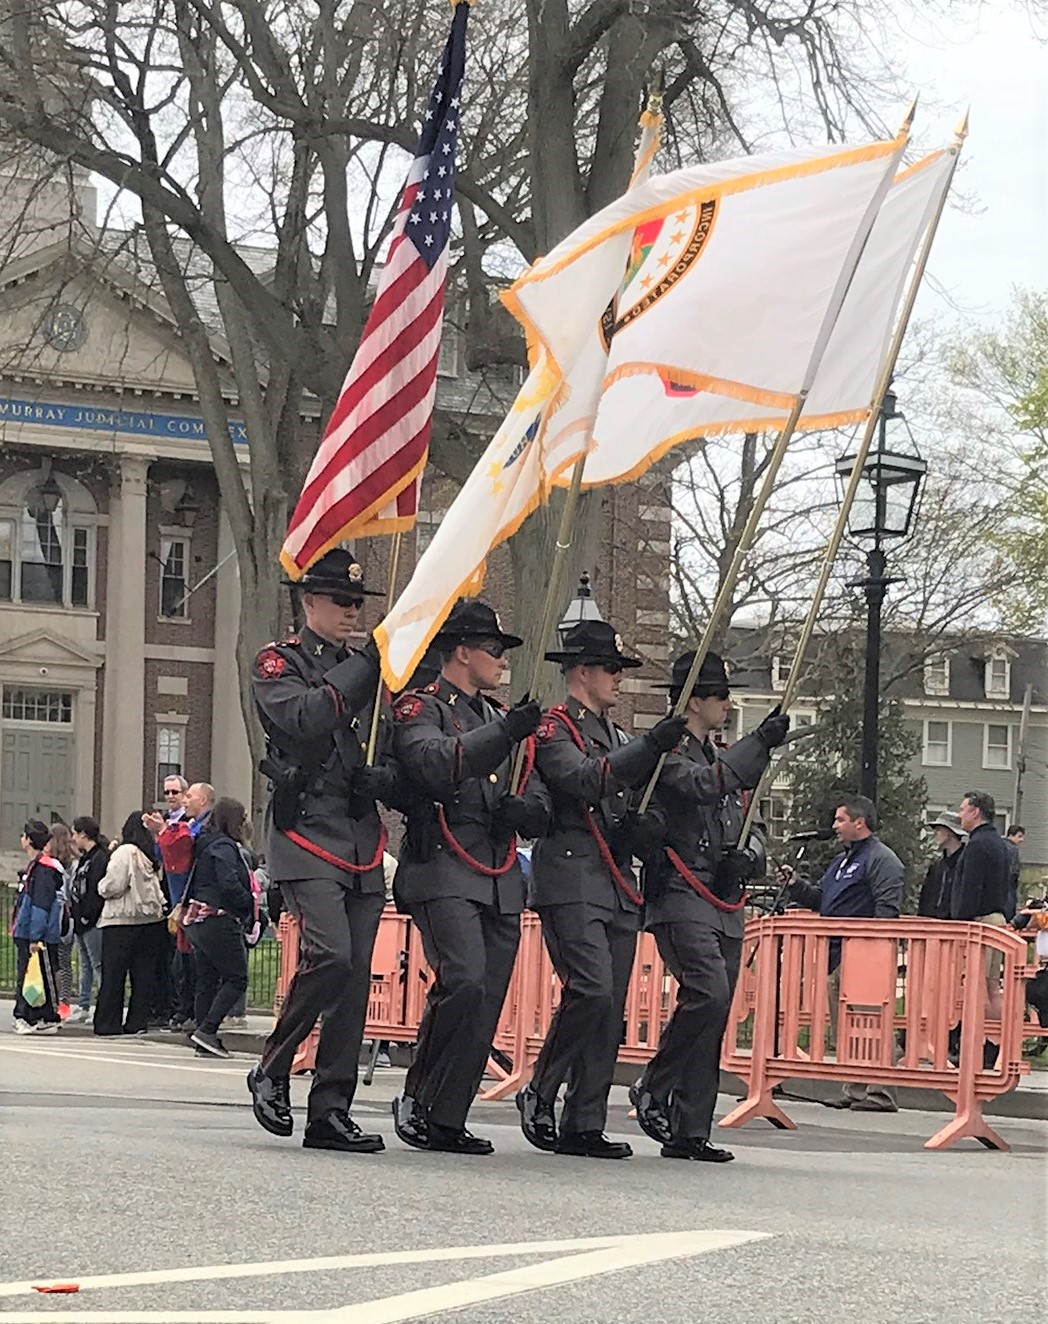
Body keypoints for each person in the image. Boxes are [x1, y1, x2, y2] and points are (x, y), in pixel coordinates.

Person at [516, 619, 687, 1160]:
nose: (618, 679)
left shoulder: (615, 735)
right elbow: (587, 779)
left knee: (609, 1006)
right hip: (570, 877)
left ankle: (584, 1120)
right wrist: (650, 746)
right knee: (589, 989)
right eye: (612, 669)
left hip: (614, 881)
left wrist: (647, 825)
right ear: (582, 672)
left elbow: (634, 795)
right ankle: (541, 1089)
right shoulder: (553, 727)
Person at [390, 598, 548, 1155]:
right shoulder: (421, 707)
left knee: (487, 998)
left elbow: (535, 786)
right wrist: (505, 735)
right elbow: (435, 763)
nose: (501, 661)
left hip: (498, 870)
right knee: (464, 978)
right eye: (492, 651)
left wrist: (526, 811)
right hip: (444, 864)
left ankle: (448, 1115)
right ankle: (418, 1095)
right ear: (460, 652)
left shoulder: (499, 717)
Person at [247, 547, 391, 1155]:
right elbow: (308, 717)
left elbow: (390, 744)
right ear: (309, 602)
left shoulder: (368, 670)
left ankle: (331, 1108)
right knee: (329, 955)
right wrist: (371, 664)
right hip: (305, 833)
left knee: (355, 978)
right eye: (342, 602)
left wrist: (383, 778)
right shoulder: (278, 664)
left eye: (359, 604)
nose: (353, 612)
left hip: (358, 835)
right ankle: (273, 1067)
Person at [630, 651, 790, 1162]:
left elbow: (751, 822)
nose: (728, 704)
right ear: (694, 701)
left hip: (719, 897)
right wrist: (759, 742)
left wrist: (748, 858)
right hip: (680, 892)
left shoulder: (721, 753)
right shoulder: (665, 752)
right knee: (707, 991)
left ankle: (689, 1128)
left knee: (716, 1009)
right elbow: (705, 785)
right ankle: (655, 1085)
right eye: (720, 696)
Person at [782, 794, 904, 1112]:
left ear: (859, 823)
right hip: (836, 954)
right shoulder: (842, 861)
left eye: (840, 820)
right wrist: (796, 885)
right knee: (846, 1026)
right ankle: (855, 1087)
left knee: (873, 1021)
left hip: (864, 954)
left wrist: (874, 947)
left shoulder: (881, 859)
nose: (834, 826)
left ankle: (881, 1091)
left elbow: (887, 909)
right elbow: (822, 900)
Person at [182, 797, 254, 1058]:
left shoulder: (204, 843)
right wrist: (248, 904)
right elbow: (229, 883)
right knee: (237, 978)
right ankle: (208, 1030)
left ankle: (204, 1035)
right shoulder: (224, 847)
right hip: (218, 917)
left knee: (207, 979)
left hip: (196, 917)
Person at [952, 791, 1012, 1067]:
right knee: (992, 986)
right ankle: (1002, 1043)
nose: (960, 814)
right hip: (997, 918)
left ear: (976, 812)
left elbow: (970, 887)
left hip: (980, 922)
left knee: (978, 987)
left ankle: (985, 1042)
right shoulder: (999, 843)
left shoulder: (976, 845)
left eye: (963, 809)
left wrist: (960, 919)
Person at [93, 813, 168, 1037]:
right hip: (149, 920)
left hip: (121, 920)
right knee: (143, 974)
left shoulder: (125, 852)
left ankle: (108, 1023)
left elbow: (113, 885)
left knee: (114, 975)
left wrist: (101, 887)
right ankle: (137, 1021)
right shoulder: (152, 855)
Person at [11, 821, 65, 1034]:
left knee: (31, 974)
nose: (21, 839)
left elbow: (40, 906)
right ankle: (43, 1015)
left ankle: (26, 1015)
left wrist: (35, 936)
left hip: (35, 934)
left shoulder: (43, 870)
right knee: (39, 974)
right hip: (30, 931)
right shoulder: (37, 867)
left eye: (24, 835)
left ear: (30, 840)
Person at [67, 816, 111, 1023]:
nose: (74, 838)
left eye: (75, 834)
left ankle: (103, 1005)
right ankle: (83, 1004)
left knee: (97, 963)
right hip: (80, 920)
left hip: (92, 920)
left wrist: (87, 916)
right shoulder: (85, 858)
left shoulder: (99, 858)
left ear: (84, 834)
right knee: (84, 964)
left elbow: (96, 891)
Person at [916, 813, 966, 919]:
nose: (935, 833)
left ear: (949, 833)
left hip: (958, 930)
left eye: (939, 829)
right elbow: (925, 902)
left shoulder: (967, 865)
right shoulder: (936, 867)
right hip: (933, 928)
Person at [1003, 825, 1025, 922]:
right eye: (1019, 836)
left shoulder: (1000, 846)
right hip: (1009, 886)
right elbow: (1014, 871)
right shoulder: (1012, 849)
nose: (1022, 840)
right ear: (1011, 835)